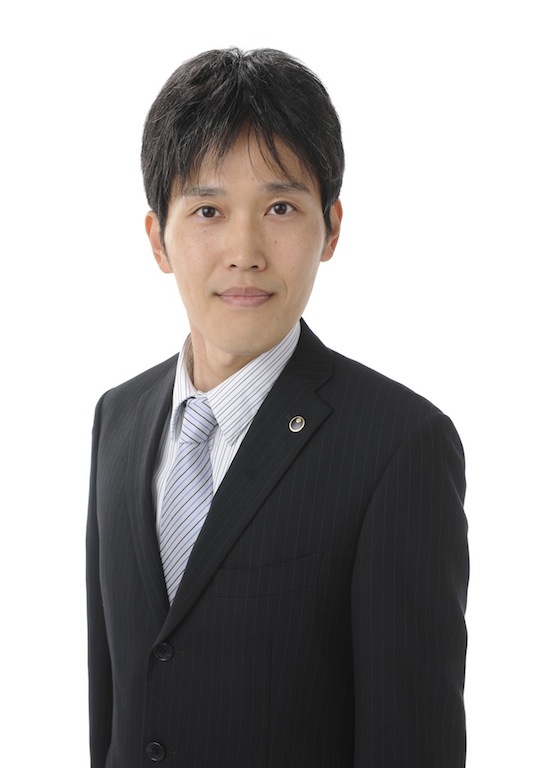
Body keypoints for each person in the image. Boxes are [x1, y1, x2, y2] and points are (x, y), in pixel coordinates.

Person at [86, 47, 469, 768]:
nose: (245, 250)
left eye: (281, 208)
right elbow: (114, 709)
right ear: (158, 239)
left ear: (332, 227)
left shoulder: (400, 445)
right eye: (207, 210)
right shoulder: (120, 419)